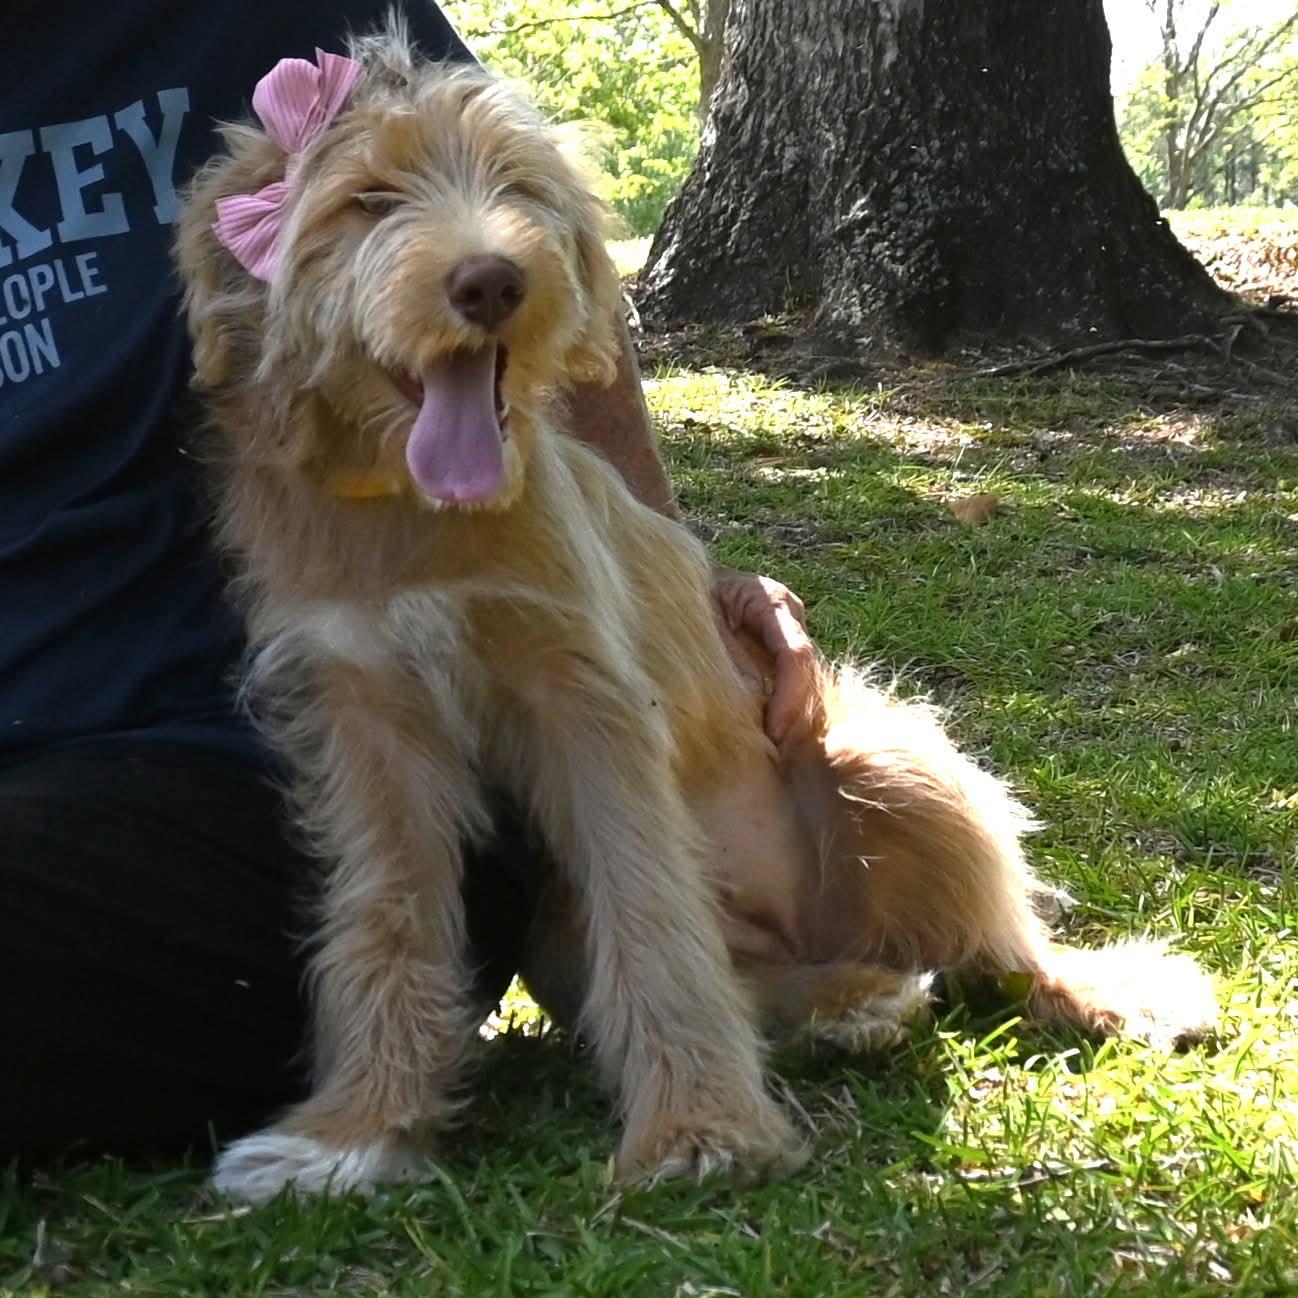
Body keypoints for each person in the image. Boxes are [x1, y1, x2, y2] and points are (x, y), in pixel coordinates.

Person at [0, 0, 813, 1157]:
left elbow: (542, 284)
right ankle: (383, 1091)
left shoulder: (279, 27)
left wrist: (685, 617)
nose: (470, 242)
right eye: (372, 207)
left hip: (186, 764)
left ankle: (699, 1077)